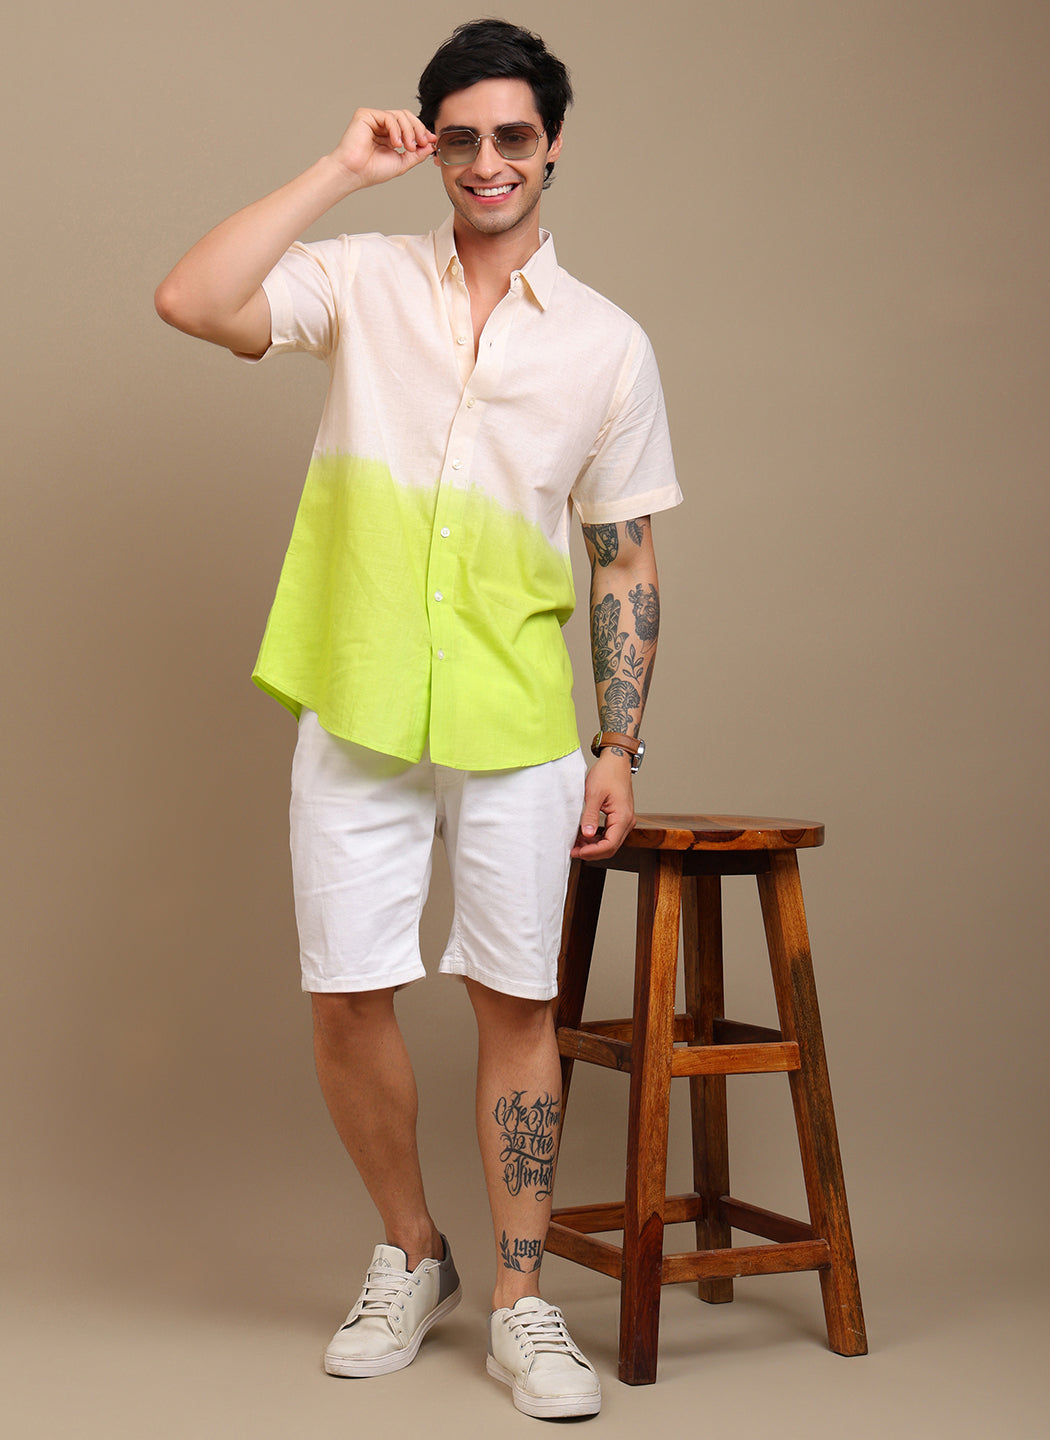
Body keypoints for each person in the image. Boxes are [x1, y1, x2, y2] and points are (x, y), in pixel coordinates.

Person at [155, 17, 680, 1421]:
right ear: (432, 144)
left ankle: (519, 1300)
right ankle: (412, 1252)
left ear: (551, 147)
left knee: (517, 1001)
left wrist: (617, 744)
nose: (488, 160)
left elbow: (623, 559)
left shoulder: (610, 347)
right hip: (360, 691)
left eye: (514, 136)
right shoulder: (360, 280)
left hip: (519, 718)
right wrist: (340, 168)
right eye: (462, 136)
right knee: (347, 993)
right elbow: (193, 299)